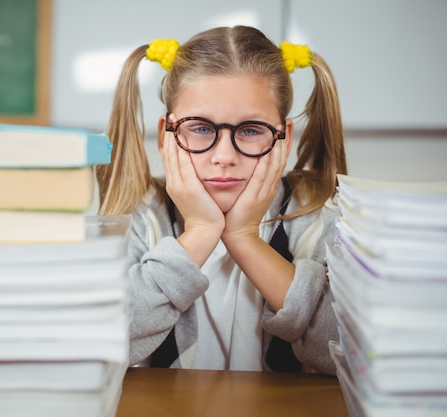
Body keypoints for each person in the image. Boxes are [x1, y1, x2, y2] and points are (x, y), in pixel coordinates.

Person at [95, 25, 347, 374]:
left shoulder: (321, 213)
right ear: (165, 136)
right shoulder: (141, 214)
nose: (224, 156)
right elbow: (99, 344)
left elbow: (351, 351)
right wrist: (199, 230)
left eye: (250, 130)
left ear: (284, 139)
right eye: (200, 127)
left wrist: (244, 238)